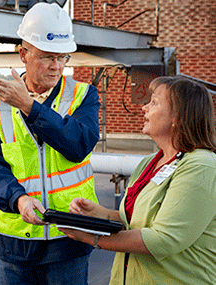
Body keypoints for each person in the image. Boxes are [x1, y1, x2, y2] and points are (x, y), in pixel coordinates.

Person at [0, 2, 100, 284]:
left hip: (68, 237)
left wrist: (29, 107)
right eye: (46, 57)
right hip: (14, 242)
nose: (56, 66)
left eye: (62, 57)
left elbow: (78, 144)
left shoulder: (84, 96)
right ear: (23, 54)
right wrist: (18, 200)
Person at [59, 76, 216, 284]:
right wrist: (100, 214)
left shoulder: (201, 166)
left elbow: (164, 239)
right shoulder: (150, 162)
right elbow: (135, 221)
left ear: (178, 117)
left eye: (154, 102)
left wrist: (90, 238)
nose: (144, 108)